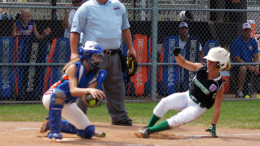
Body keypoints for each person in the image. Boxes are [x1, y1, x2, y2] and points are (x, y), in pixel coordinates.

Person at [138, 47, 231, 138]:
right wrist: (177, 55)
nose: (208, 62)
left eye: (212, 61)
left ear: (220, 64)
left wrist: (213, 125)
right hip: (187, 96)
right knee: (164, 102)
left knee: (177, 120)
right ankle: (147, 127)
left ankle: (149, 131)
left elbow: (217, 108)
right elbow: (183, 63)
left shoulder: (219, 85)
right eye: (208, 60)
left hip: (197, 108)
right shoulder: (200, 68)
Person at [70, 0, 136, 126]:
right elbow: (75, 31)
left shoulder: (118, 6)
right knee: (86, 85)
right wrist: (74, 53)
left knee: (116, 86)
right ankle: (77, 118)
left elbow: (125, 28)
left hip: (114, 54)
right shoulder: (86, 7)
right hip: (92, 56)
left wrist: (130, 47)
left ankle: (119, 117)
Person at [40, 41, 106, 142]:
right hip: (52, 97)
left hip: (69, 102)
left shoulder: (94, 74)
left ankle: (51, 123)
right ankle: (54, 133)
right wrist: (89, 90)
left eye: (99, 56)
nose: (98, 59)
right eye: (95, 56)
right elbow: (73, 90)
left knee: (88, 131)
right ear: (87, 56)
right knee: (59, 94)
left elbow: (84, 99)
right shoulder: (74, 67)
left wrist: (92, 100)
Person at [230, 23, 259, 98]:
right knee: (243, 68)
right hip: (237, 65)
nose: (247, 32)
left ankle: (257, 91)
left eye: (249, 30)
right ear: (242, 31)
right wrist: (249, 66)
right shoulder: (236, 42)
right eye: (245, 30)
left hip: (250, 63)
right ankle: (239, 91)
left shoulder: (253, 41)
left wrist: (256, 66)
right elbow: (237, 58)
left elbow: (256, 56)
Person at [176, 21, 203, 92]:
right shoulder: (175, 40)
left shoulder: (193, 40)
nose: (183, 30)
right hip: (178, 64)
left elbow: (200, 52)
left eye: (185, 28)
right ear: (179, 30)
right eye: (182, 29)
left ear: (188, 30)